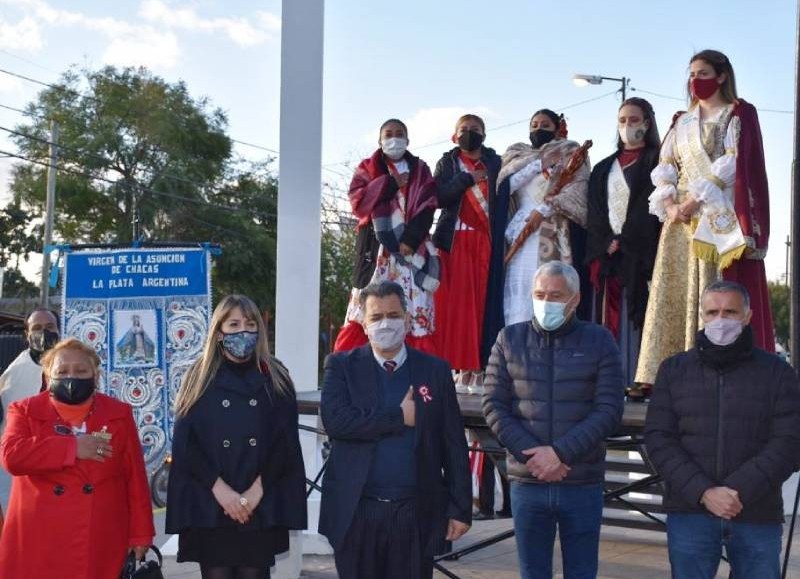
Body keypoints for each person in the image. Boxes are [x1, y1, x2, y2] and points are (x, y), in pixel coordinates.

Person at [636, 49, 774, 389]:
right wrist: (670, 204)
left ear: (722, 76)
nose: (696, 80)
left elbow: (734, 162)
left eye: (703, 73)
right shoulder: (681, 121)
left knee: (711, 288)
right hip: (678, 221)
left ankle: (710, 370)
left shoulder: (736, 114)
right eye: (692, 74)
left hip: (713, 215)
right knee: (672, 294)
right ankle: (663, 373)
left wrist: (695, 199)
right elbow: (665, 165)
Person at [644, 281, 800, 579]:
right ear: (702, 315)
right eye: (712, 312)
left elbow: (789, 442)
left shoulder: (777, 372)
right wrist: (704, 492)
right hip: (691, 511)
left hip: (755, 511)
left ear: (747, 316)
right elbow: (659, 439)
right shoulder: (674, 370)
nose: (720, 320)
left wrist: (736, 490)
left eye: (730, 312)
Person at [319, 281, 472, 579]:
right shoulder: (341, 366)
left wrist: (460, 507)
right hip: (356, 512)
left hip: (415, 512)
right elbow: (337, 421)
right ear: (364, 323)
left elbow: (453, 443)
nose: (384, 323)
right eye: (376, 317)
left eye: (392, 315)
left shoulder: (435, 370)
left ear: (407, 319)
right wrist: (399, 417)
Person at [483, 261, 624, 579]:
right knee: (532, 572)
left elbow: (609, 410)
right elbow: (493, 405)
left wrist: (559, 454)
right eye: (539, 294)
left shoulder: (600, 341)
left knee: (582, 571)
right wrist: (534, 457)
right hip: (527, 482)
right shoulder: (509, 339)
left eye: (555, 295)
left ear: (574, 300)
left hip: (581, 481)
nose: (546, 301)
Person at [166, 294, 307, 579]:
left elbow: (286, 442)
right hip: (212, 504)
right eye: (233, 324)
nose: (243, 330)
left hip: (259, 502)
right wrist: (220, 491)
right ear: (219, 332)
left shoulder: (276, 375)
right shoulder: (198, 375)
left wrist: (255, 493)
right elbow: (185, 443)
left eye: (250, 323)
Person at [0, 338, 154, 579]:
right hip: (38, 539)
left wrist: (141, 533)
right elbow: (12, 456)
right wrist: (72, 448)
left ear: (95, 375)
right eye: (62, 371)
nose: (72, 376)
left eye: (81, 370)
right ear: (48, 376)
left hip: (100, 537)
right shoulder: (24, 410)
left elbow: (134, 479)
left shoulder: (119, 413)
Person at [334, 119, 440, 355]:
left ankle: (419, 372)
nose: (394, 138)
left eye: (399, 133)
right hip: (376, 253)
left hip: (410, 252)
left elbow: (428, 206)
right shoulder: (367, 168)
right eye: (388, 134)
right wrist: (389, 184)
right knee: (363, 309)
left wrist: (410, 240)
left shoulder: (421, 169)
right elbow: (357, 202)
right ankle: (347, 368)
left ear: (408, 139)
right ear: (380, 141)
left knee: (416, 308)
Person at [586, 98, 662, 394]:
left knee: (637, 317)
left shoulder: (657, 162)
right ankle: (605, 383)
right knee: (605, 319)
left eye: (634, 120)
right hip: (608, 260)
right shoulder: (604, 167)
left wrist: (625, 239)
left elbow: (650, 208)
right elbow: (593, 210)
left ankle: (636, 379)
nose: (627, 126)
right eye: (622, 120)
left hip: (639, 257)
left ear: (646, 123)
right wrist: (606, 241)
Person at [498, 109, 591, 327]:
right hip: (520, 229)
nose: (539, 129)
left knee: (549, 290)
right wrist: (539, 164)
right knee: (518, 289)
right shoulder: (516, 154)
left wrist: (544, 209)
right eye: (534, 125)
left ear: (557, 128)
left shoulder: (570, 151)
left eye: (545, 125)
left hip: (552, 228)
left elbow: (577, 190)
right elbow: (504, 188)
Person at [432, 113, 504, 387]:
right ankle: (451, 367)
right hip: (453, 241)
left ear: (484, 135)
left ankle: (478, 367)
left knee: (480, 305)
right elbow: (438, 197)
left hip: (484, 241)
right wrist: (467, 179)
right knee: (453, 306)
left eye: (475, 129)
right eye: (464, 129)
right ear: (454, 135)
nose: (469, 133)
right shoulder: (448, 162)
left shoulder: (495, 162)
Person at [0, 307, 59, 427]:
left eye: (49, 327)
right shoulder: (14, 374)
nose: (44, 332)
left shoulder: (74, 365)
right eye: (37, 328)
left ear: (58, 330)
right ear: (27, 334)